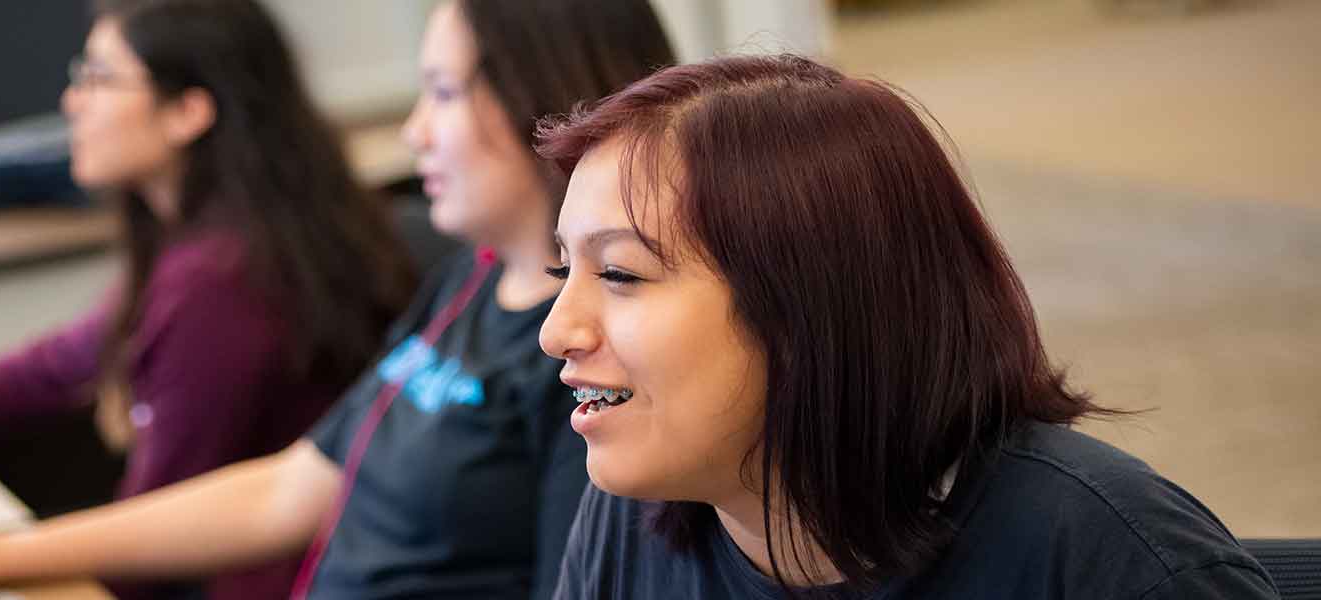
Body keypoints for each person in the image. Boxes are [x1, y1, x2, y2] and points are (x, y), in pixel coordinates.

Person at [0, 1, 674, 599]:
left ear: (552, 99)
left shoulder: (589, 358)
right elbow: (292, 486)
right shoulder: (468, 282)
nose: (413, 131)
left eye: (445, 94)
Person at [536, 54, 1279, 599]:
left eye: (622, 275)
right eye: (562, 270)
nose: (556, 330)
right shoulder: (631, 522)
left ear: (813, 306)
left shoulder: (1106, 560)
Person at [0, 0, 418, 597]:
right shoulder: (227, 238)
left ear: (188, 112)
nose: (72, 102)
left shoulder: (222, 285)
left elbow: (151, 543)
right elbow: (57, 364)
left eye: (99, 79)